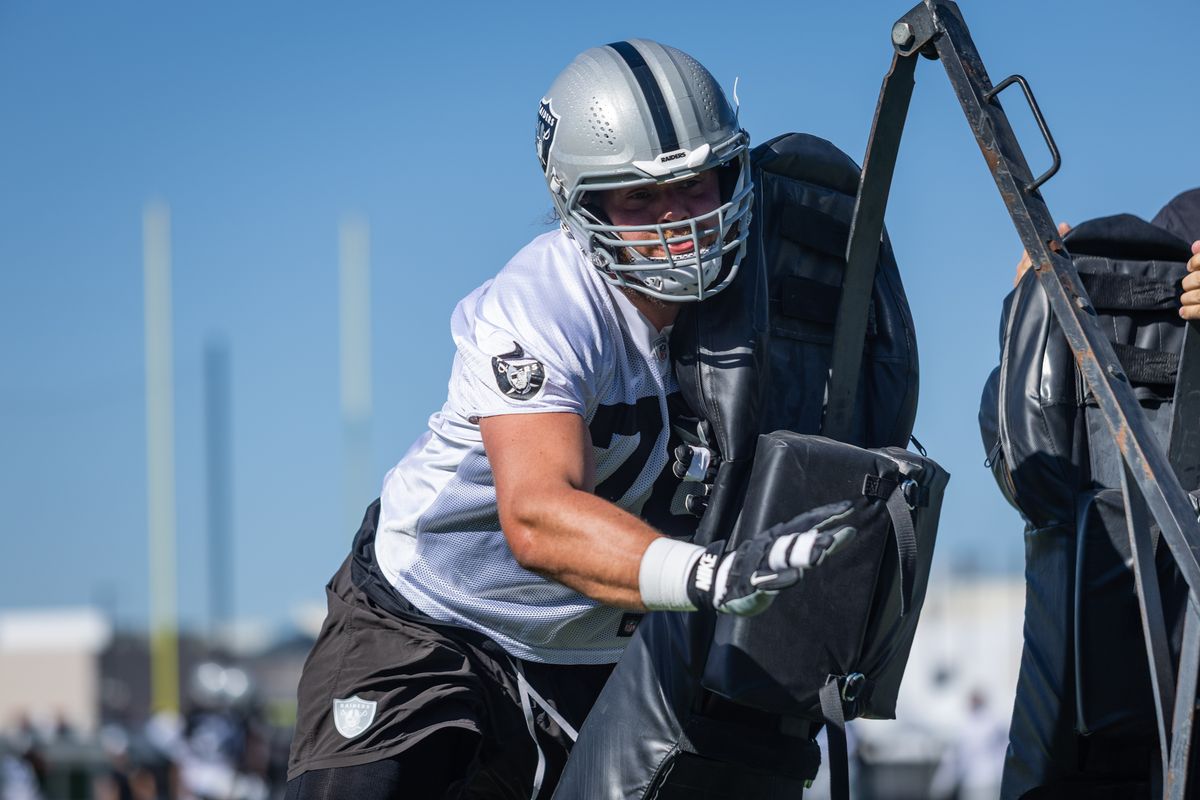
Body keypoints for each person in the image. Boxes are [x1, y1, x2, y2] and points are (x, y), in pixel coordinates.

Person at [284, 39, 854, 800]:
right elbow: (538, 517)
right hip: (430, 622)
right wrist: (709, 574)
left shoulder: (770, 305)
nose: (679, 219)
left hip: (594, 655)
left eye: (695, 183)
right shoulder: (546, 302)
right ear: (582, 207)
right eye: (640, 198)